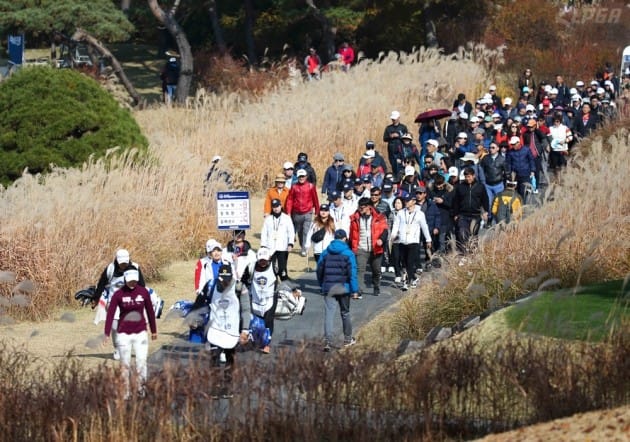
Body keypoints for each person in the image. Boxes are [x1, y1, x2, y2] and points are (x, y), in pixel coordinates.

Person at [103, 269, 157, 399]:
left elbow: (150, 311)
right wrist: (106, 333)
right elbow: (110, 314)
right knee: (124, 363)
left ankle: (141, 389)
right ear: (125, 280)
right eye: (129, 281)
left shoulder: (143, 292)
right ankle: (125, 391)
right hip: (123, 334)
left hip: (140, 333)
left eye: (134, 281)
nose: (132, 283)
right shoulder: (118, 294)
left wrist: (154, 330)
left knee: (141, 361)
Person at [94, 248, 146, 360]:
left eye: (125, 262)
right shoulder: (110, 269)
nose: (123, 265)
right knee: (114, 326)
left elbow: (142, 285)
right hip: (114, 301)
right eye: (121, 263)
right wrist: (95, 299)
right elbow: (101, 284)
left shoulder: (135, 268)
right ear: (117, 260)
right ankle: (117, 348)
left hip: (131, 301)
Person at [199, 263, 241, 398]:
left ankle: (228, 387)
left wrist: (245, 329)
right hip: (215, 329)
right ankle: (215, 386)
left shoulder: (239, 287)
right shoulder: (211, 286)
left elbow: (246, 308)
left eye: (227, 280)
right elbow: (200, 302)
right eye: (222, 280)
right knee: (214, 357)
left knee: (230, 358)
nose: (225, 283)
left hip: (232, 329)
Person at [316, 229, 358, 351]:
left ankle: (328, 342)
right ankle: (348, 339)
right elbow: (352, 273)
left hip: (329, 288)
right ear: (345, 238)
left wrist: (321, 284)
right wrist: (354, 290)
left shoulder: (325, 252)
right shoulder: (348, 253)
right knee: (345, 313)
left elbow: (319, 270)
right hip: (343, 287)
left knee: (329, 314)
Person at [390, 194, 432, 290]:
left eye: (408, 201)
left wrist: (428, 239)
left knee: (410, 262)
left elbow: (424, 227)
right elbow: (396, 225)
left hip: (413, 242)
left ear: (413, 201)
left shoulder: (420, 214)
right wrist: (393, 235)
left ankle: (408, 282)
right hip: (402, 241)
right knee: (404, 263)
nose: (406, 203)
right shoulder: (401, 213)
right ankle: (413, 278)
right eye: (405, 201)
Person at [349, 197, 389, 297]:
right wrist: (351, 246)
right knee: (360, 270)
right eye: (359, 207)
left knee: (376, 270)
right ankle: (359, 290)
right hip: (361, 248)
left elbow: (385, 230)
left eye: (363, 207)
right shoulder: (355, 218)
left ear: (369, 207)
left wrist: (381, 239)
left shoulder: (379, 217)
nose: (360, 209)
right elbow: (351, 234)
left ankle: (376, 286)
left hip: (375, 248)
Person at [241, 247, 277, 354]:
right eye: (261, 260)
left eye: (265, 260)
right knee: (256, 322)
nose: (262, 262)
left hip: (270, 299)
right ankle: (256, 341)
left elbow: (281, 278)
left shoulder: (274, 267)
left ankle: (266, 344)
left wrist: (293, 290)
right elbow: (243, 280)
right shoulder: (251, 267)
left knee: (268, 322)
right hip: (255, 298)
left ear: (269, 259)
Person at [452, 167, 489, 254]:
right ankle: (464, 253)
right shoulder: (460, 187)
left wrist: (485, 211)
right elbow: (456, 201)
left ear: (473, 176)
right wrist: (455, 214)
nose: (467, 179)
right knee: (462, 232)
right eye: (466, 177)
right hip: (463, 215)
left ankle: (473, 253)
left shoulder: (480, 187)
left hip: (475, 215)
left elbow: (485, 199)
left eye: (469, 176)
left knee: (473, 235)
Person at [286, 168, 319, 257]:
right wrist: (288, 211)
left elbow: (315, 199)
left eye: (303, 176)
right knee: (300, 232)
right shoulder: (294, 187)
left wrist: (317, 211)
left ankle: (304, 249)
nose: (301, 178)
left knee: (306, 231)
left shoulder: (311, 186)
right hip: (296, 213)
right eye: (300, 176)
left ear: (306, 177)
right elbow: (290, 199)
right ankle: (302, 245)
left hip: (307, 212)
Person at [260, 199, 295, 280]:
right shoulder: (268, 219)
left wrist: (290, 244)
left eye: (277, 206)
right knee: (271, 268)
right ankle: (273, 286)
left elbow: (291, 232)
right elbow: (264, 233)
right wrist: (263, 245)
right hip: (270, 247)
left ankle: (285, 285)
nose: (276, 208)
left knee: (282, 269)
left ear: (281, 206)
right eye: (274, 207)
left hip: (282, 247)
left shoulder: (286, 218)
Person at [478, 141, 508, 225]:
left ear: (498, 149)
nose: (491, 149)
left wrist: (507, 184)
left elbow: (506, 172)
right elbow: (481, 168)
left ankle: (500, 220)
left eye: (493, 147)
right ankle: (489, 219)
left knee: (499, 203)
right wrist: (482, 180)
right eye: (490, 148)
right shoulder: (485, 158)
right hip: (488, 185)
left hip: (499, 184)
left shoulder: (502, 159)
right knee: (489, 203)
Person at [383, 110, 408, 175]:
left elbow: (407, 139)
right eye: (392, 119)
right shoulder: (388, 128)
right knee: (393, 165)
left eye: (395, 118)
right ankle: (395, 177)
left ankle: (400, 177)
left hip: (400, 150)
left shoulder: (403, 127)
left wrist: (399, 136)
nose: (393, 120)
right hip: (391, 150)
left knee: (401, 165)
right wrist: (390, 136)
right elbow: (384, 139)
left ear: (398, 118)